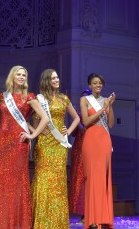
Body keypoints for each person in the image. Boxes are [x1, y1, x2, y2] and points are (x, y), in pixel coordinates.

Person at [0, 66, 48, 229]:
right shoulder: (2, 97)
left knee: (17, 182)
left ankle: (18, 223)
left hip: (19, 144)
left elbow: (45, 118)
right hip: (3, 144)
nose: (22, 77)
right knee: (3, 182)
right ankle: (4, 222)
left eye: (24, 74)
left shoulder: (30, 97)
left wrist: (32, 135)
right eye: (18, 74)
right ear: (12, 76)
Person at [31, 69, 80, 229]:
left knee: (58, 182)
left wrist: (69, 131)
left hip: (59, 144)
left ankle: (57, 222)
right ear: (46, 80)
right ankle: (41, 222)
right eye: (53, 78)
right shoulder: (39, 99)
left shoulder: (63, 98)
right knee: (43, 181)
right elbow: (30, 121)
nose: (57, 80)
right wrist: (35, 132)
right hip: (44, 144)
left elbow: (77, 118)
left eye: (57, 77)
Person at [80, 73, 116, 229]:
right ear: (89, 86)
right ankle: (92, 220)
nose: (98, 85)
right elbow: (86, 121)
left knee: (103, 179)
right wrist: (103, 108)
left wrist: (110, 106)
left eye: (100, 83)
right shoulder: (85, 100)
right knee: (92, 179)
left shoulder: (106, 101)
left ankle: (104, 218)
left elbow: (111, 124)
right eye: (95, 83)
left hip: (105, 141)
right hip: (91, 140)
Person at [69, 89, 92, 223]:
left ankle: (88, 214)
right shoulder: (78, 114)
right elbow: (74, 134)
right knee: (78, 181)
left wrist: (78, 121)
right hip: (78, 150)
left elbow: (85, 129)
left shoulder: (92, 114)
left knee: (87, 180)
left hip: (88, 148)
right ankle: (82, 214)